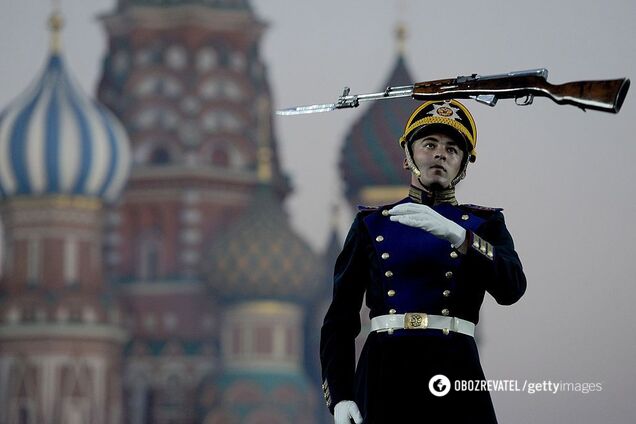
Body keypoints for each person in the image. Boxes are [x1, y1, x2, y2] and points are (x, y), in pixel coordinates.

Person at [320, 99, 527, 424]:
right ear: (408, 156)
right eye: (429, 144)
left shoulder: (484, 225)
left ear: (463, 165)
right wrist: (341, 395)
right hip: (384, 371)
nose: (440, 154)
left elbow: (512, 287)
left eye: (452, 149)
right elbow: (339, 319)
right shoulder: (371, 224)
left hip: (454, 368)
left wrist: (461, 237)